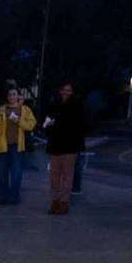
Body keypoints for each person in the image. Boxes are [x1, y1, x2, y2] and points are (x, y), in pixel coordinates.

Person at [42, 82, 86, 215]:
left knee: (67, 175)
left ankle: (64, 202)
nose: (66, 92)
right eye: (64, 90)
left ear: (72, 92)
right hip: (55, 144)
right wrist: (48, 126)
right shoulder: (54, 105)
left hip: (70, 145)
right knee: (54, 175)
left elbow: (81, 125)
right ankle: (55, 201)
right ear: (60, 91)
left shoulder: (77, 106)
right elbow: (47, 121)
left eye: (68, 90)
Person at [0, 88, 36, 205]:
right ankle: (3, 197)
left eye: (14, 94)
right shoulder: (1, 109)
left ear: (18, 96)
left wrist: (19, 120)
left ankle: (14, 198)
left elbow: (31, 125)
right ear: (7, 97)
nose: (12, 96)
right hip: (3, 146)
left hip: (17, 146)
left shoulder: (25, 110)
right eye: (10, 94)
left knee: (16, 174)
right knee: (2, 174)